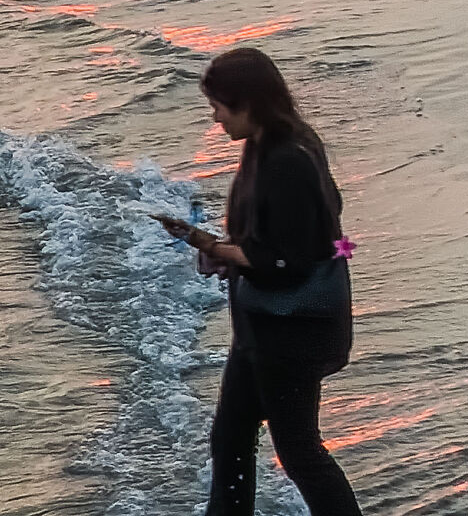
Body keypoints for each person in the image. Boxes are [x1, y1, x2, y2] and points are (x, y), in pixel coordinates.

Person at [154, 48, 360, 516]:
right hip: (263, 326)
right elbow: (291, 235)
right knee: (231, 437)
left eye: (220, 107)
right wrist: (230, 254)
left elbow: (282, 260)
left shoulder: (286, 158)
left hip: (289, 332)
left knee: (299, 451)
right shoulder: (276, 145)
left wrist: (211, 246)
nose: (215, 118)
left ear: (248, 103)